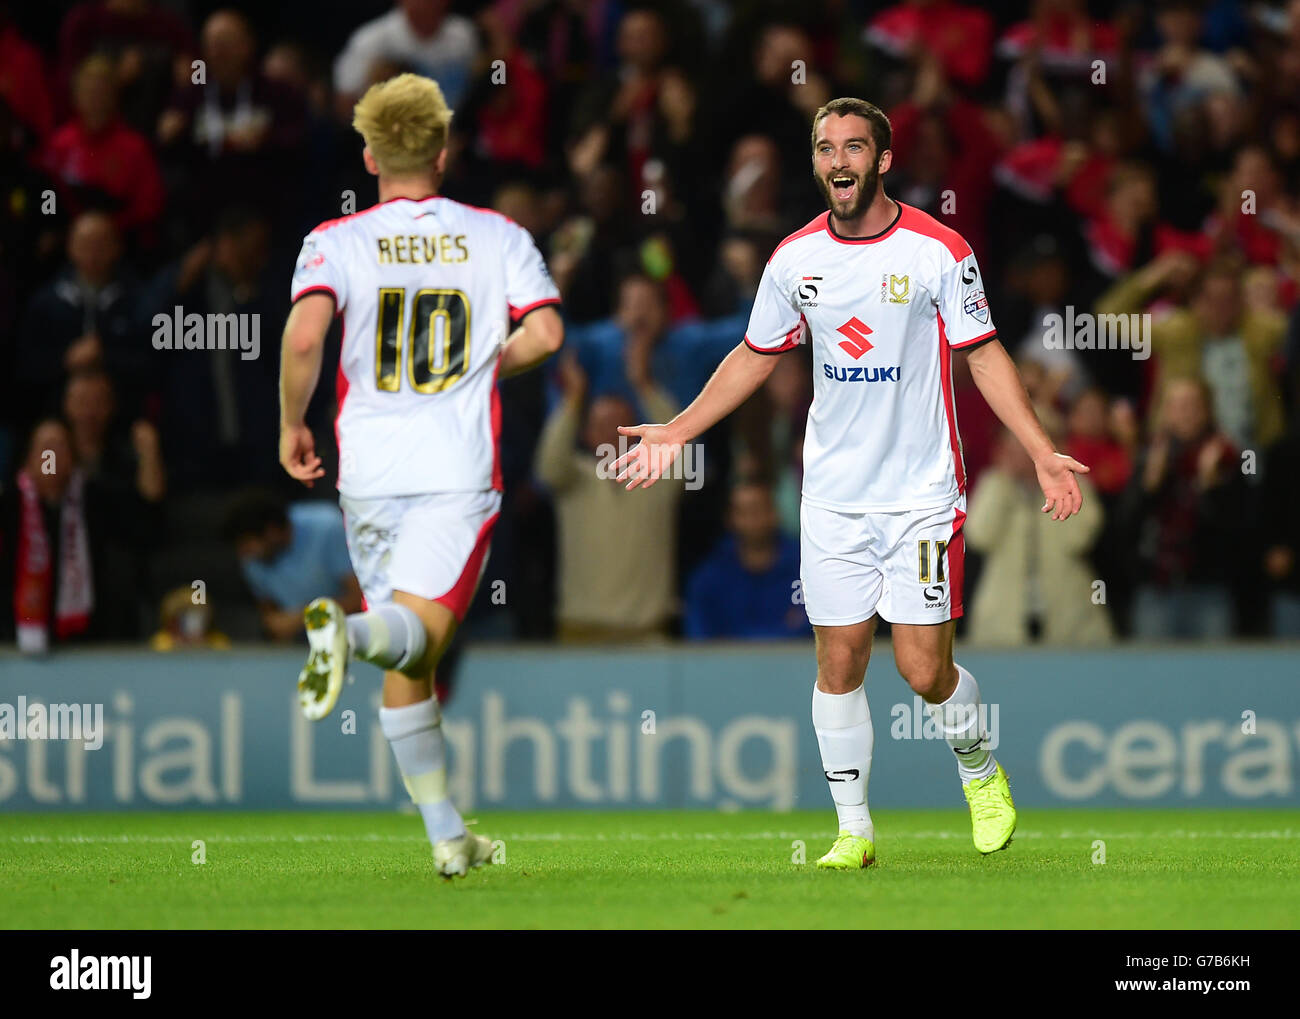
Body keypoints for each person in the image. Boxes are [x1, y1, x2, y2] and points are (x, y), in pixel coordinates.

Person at [613, 97, 1089, 868]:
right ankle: (853, 830)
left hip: (922, 494)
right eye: (826, 148)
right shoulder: (795, 260)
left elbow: (984, 352)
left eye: (855, 147)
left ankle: (979, 768)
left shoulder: (938, 249)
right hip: (832, 496)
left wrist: (1039, 448)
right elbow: (754, 353)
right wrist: (677, 428)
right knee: (838, 662)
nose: (839, 161)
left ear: (883, 159)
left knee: (922, 670)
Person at [278, 73, 563, 877]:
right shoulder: (497, 235)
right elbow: (544, 333)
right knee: (416, 639)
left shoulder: (333, 241)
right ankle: (347, 631)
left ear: (369, 155)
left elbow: (305, 340)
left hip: (365, 470)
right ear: (444, 151)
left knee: (418, 662)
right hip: (454, 469)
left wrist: (289, 424)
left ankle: (447, 834)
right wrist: (485, 366)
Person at [222, 489, 362, 642]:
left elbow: (359, 599)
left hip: (353, 632)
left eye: (248, 546)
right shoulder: (249, 558)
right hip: (301, 641)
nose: (245, 555)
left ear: (272, 532)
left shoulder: (328, 528)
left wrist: (304, 616)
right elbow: (272, 615)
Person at [684, 480, 807, 640]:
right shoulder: (708, 578)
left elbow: (818, 632)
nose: (752, 519)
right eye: (743, 512)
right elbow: (699, 642)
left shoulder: (805, 567)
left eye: (758, 510)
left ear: (774, 513)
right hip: (725, 665)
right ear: (730, 519)